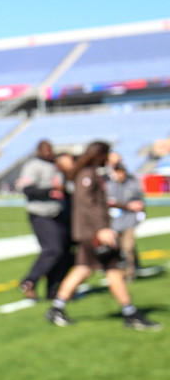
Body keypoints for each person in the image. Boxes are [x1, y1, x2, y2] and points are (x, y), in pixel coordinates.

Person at [46, 142, 159, 331]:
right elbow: (88, 204)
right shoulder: (87, 175)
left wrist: (126, 206)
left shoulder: (88, 174)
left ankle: (57, 308)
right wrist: (102, 229)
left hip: (90, 231)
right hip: (93, 233)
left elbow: (102, 201)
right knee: (112, 269)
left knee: (83, 269)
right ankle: (130, 313)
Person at [15, 140, 72, 300]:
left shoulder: (55, 164)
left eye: (49, 149)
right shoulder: (33, 166)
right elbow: (27, 189)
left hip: (58, 212)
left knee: (63, 253)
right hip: (41, 213)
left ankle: (52, 289)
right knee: (53, 250)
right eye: (44, 150)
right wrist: (50, 191)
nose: (48, 152)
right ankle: (30, 281)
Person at [106, 164, 144, 282]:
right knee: (117, 249)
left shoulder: (132, 185)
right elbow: (108, 202)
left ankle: (129, 273)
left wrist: (139, 213)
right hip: (114, 222)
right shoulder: (110, 186)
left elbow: (140, 202)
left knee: (128, 247)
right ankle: (119, 271)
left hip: (129, 221)